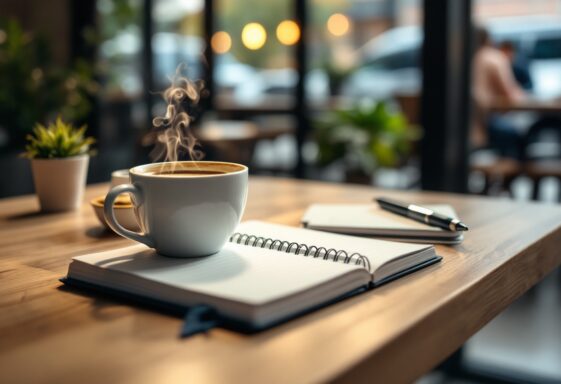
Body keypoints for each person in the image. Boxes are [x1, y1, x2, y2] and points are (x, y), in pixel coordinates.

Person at [472, 27, 528, 159]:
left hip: (465, 125)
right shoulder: (493, 57)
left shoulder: (461, 57)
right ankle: (515, 174)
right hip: (484, 125)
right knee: (521, 136)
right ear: (489, 39)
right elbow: (511, 95)